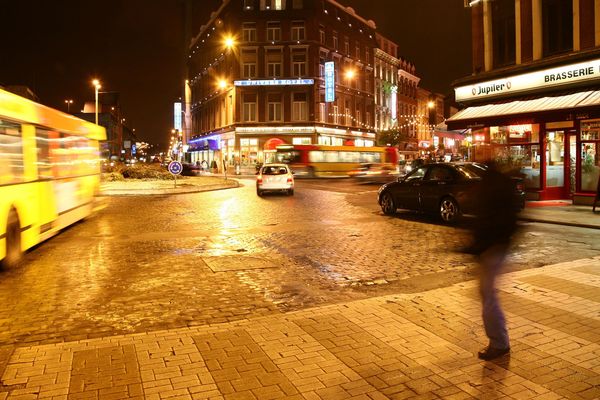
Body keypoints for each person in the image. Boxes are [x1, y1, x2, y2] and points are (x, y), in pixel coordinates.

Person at [467, 160, 519, 361]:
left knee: (488, 295)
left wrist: (481, 244)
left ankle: (499, 343)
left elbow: (489, 220)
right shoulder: (500, 184)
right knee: (487, 293)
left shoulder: (492, 186)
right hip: (495, 245)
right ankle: (499, 341)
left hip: (492, 247)